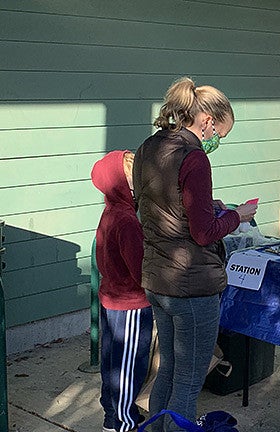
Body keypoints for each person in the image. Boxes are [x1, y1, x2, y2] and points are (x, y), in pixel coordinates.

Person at [132, 77, 257, 431]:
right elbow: (203, 232)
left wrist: (208, 205)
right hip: (192, 285)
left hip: (157, 277)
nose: (216, 141)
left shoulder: (148, 147)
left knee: (167, 371)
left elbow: (153, 205)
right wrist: (237, 215)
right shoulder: (195, 158)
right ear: (208, 122)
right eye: (220, 133)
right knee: (187, 382)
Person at [91, 150, 154, 432]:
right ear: (126, 185)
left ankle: (113, 415)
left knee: (112, 364)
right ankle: (122, 422)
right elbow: (140, 268)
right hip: (131, 304)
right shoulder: (127, 220)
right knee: (129, 368)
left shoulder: (111, 212)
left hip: (111, 299)